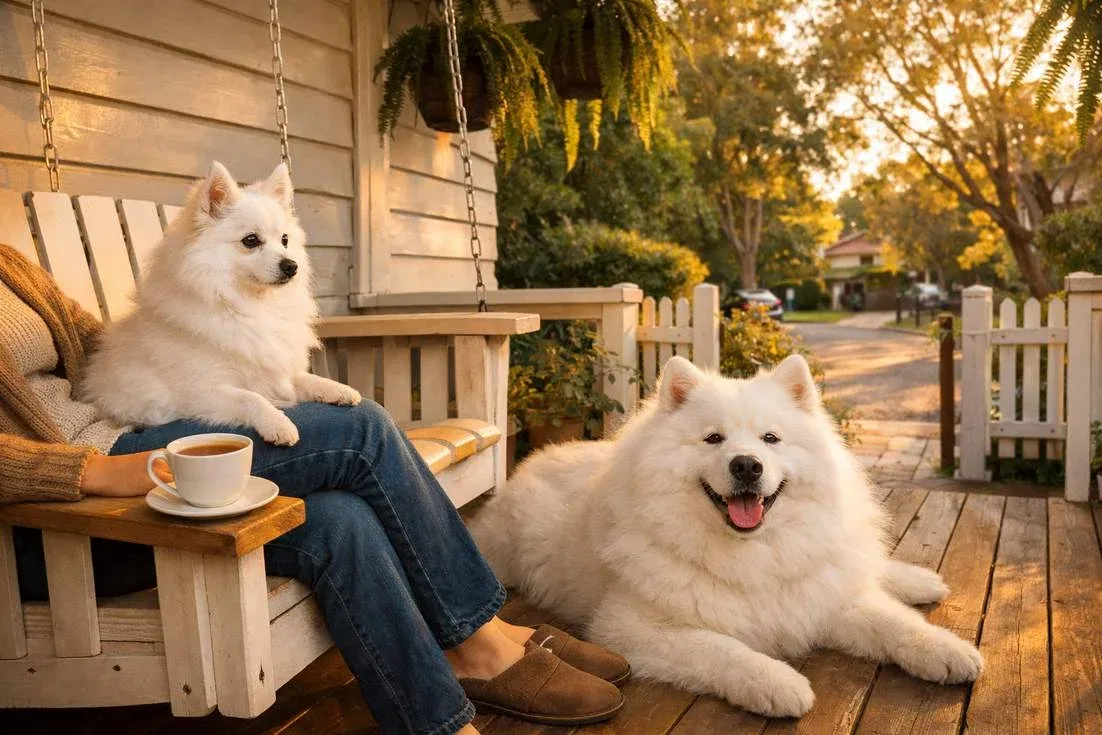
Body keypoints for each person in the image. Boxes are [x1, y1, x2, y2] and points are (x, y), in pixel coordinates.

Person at [0, 244, 627, 734]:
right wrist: (87, 472)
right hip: (65, 509)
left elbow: (94, 345)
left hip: (132, 433)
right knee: (361, 433)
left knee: (338, 518)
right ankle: (479, 637)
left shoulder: (10, 264)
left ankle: (438, 714)